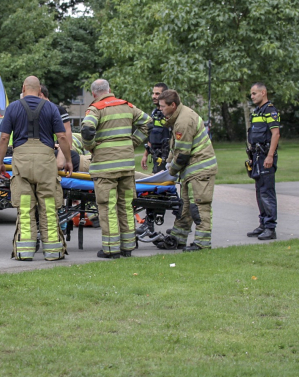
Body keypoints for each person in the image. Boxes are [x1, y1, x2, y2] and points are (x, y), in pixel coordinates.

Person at [0, 76, 72, 261]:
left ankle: (24, 252)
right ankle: (54, 252)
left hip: (21, 161)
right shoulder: (51, 107)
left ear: (23, 88)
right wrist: (68, 159)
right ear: (40, 90)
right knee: (49, 206)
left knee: (25, 207)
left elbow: (4, 138)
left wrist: (0, 162)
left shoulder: (13, 107)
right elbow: (62, 137)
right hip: (45, 161)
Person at [81, 79, 151, 258]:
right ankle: (127, 247)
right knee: (126, 205)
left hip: (105, 168)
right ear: (109, 89)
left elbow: (87, 129)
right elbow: (148, 123)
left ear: (94, 93)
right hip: (126, 166)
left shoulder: (95, 109)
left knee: (107, 207)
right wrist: (133, 142)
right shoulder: (127, 106)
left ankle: (111, 249)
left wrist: (90, 147)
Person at [157, 89, 218, 251]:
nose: (160, 109)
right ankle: (178, 239)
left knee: (199, 206)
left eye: (163, 106)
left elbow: (183, 154)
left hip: (200, 171)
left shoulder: (184, 121)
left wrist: (171, 171)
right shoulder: (179, 117)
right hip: (192, 171)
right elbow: (176, 147)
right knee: (185, 207)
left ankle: (202, 243)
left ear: (173, 105)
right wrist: (168, 163)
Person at [246, 82, 280, 241]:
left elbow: (275, 134)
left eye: (254, 93)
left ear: (263, 93)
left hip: (266, 156)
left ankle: (270, 228)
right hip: (257, 156)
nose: (252, 96)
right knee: (260, 191)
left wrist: (270, 156)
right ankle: (263, 224)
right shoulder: (257, 112)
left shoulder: (270, 111)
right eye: (251, 94)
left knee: (267, 191)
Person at [141, 82, 172, 174]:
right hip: (156, 157)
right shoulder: (155, 113)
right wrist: (145, 155)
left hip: (167, 157)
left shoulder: (170, 114)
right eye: (153, 93)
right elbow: (152, 135)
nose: (154, 96)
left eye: (157, 94)